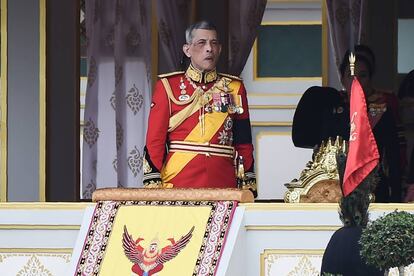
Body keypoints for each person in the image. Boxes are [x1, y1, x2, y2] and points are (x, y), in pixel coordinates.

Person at [143, 21, 256, 195]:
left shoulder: (234, 87)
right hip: (178, 182)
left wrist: (247, 179)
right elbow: (155, 140)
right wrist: (153, 181)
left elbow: (243, 141)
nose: (209, 48)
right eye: (201, 43)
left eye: (214, 43)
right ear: (187, 50)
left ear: (220, 49)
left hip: (223, 182)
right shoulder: (168, 86)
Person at [339, 50, 402, 202]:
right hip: (337, 187)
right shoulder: (335, 109)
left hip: (374, 186)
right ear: (342, 79)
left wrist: (396, 196)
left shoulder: (381, 111)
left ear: (370, 79)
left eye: (363, 75)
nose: (356, 80)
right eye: (350, 75)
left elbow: (393, 157)